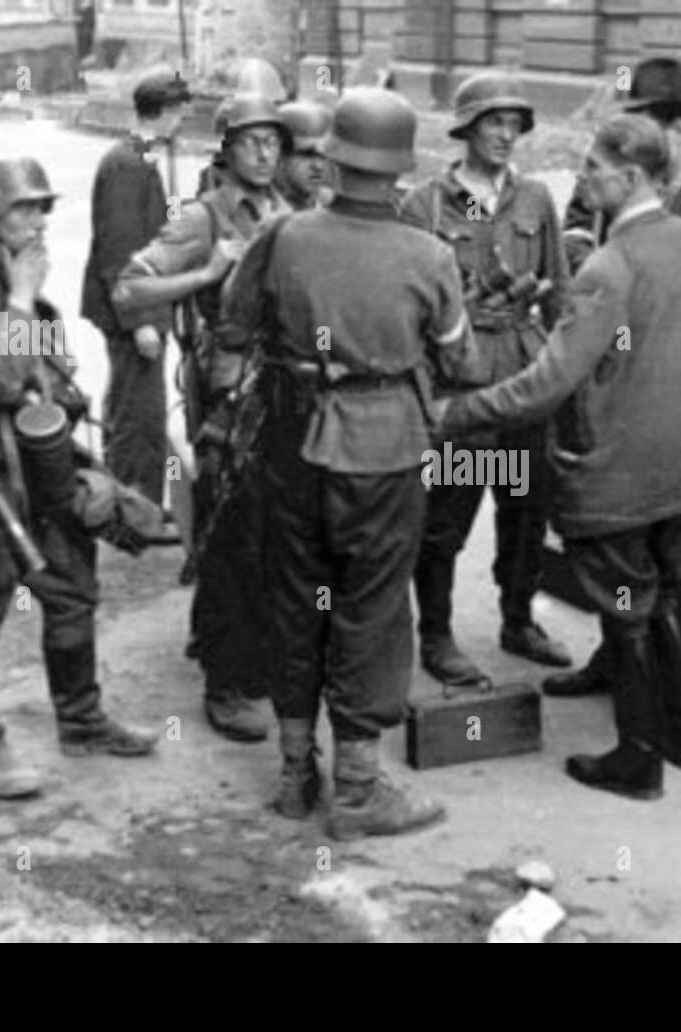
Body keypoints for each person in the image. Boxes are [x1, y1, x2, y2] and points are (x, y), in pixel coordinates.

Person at [437, 113, 681, 799]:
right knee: (660, 600)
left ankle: (637, 757)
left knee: (626, 609)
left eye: (595, 167)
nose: (585, 177)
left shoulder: (610, 265)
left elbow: (548, 382)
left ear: (631, 178)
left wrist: (458, 413)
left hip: (617, 478)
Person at [219, 88, 476, 839]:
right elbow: (461, 360)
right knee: (370, 610)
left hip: (292, 445)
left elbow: (235, 328)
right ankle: (359, 791)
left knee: (301, 602)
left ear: (330, 158)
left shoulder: (283, 235)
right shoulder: (430, 254)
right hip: (384, 449)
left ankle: (297, 774)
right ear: (399, 172)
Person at [0, 159, 158, 799]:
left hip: (34, 458)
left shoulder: (23, 282)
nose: (39, 221)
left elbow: (39, 379)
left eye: (42, 208)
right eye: (24, 209)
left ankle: (81, 722)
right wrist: (22, 299)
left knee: (72, 589)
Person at [547, 59, 681, 741]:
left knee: (675, 572)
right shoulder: (667, 194)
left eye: (650, 115)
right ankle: (631, 676)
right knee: (643, 566)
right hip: (673, 415)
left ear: (678, 128)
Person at [112, 94, 293, 741]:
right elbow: (129, 287)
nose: (265, 152)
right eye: (251, 141)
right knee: (228, 540)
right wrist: (206, 273)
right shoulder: (201, 217)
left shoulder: (286, 213)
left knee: (269, 538)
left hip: (279, 395)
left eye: (274, 140)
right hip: (225, 397)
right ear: (227, 149)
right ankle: (226, 683)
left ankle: (247, 655)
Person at [398, 71, 571, 687]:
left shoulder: (535, 200)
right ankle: (437, 634)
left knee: (526, 504)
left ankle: (518, 617)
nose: (505, 134)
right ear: (466, 128)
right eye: (493, 122)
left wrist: (568, 372)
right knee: (448, 511)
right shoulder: (427, 205)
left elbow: (559, 293)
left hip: (524, 371)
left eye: (514, 124)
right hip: (463, 376)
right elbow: (408, 305)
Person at [80, 71, 192, 506]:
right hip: (133, 310)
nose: (181, 122)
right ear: (164, 112)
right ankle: (135, 506)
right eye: (180, 112)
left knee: (128, 402)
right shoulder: (128, 164)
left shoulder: (138, 158)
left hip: (136, 305)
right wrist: (141, 322)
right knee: (140, 414)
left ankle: (123, 498)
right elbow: (120, 251)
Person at [275, 100, 337, 209]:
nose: (318, 166)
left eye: (323, 156)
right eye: (307, 155)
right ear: (280, 156)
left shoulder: (332, 204)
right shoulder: (259, 210)